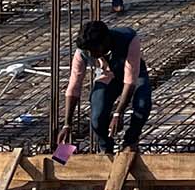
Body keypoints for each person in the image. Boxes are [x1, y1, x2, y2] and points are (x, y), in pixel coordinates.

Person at [62, 20, 152, 155]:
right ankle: (106, 148)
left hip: (135, 74)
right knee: (97, 118)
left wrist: (118, 113)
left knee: (142, 104)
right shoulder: (82, 51)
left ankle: (130, 142)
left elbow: (130, 80)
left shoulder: (128, 39)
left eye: (94, 50)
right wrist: (67, 124)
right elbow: (74, 86)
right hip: (107, 76)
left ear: (105, 42)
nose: (91, 54)